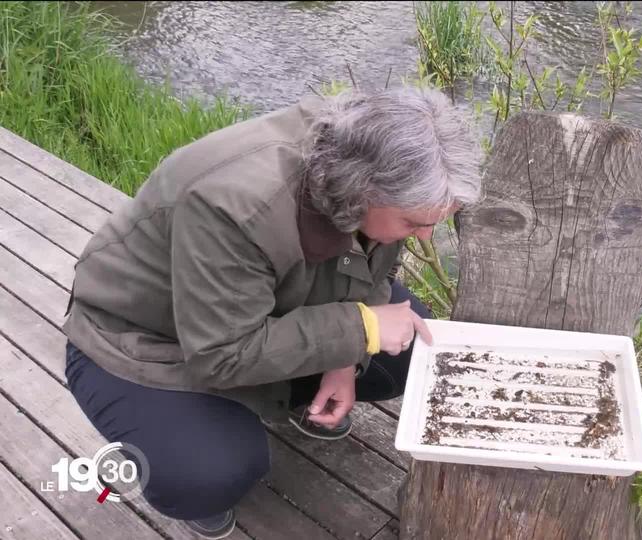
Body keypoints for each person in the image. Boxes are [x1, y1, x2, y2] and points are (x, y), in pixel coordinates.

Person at [62, 87, 481, 539]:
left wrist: (345, 357)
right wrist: (360, 329)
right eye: (414, 224)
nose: (423, 237)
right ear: (363, 193)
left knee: (412, 343)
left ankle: (288, 401)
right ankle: (191, 479)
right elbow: (221, 354)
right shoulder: (233, 207)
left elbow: (377, 269)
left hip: (261, 308)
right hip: (144, 340)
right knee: (211, 471)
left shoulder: (376, 160)